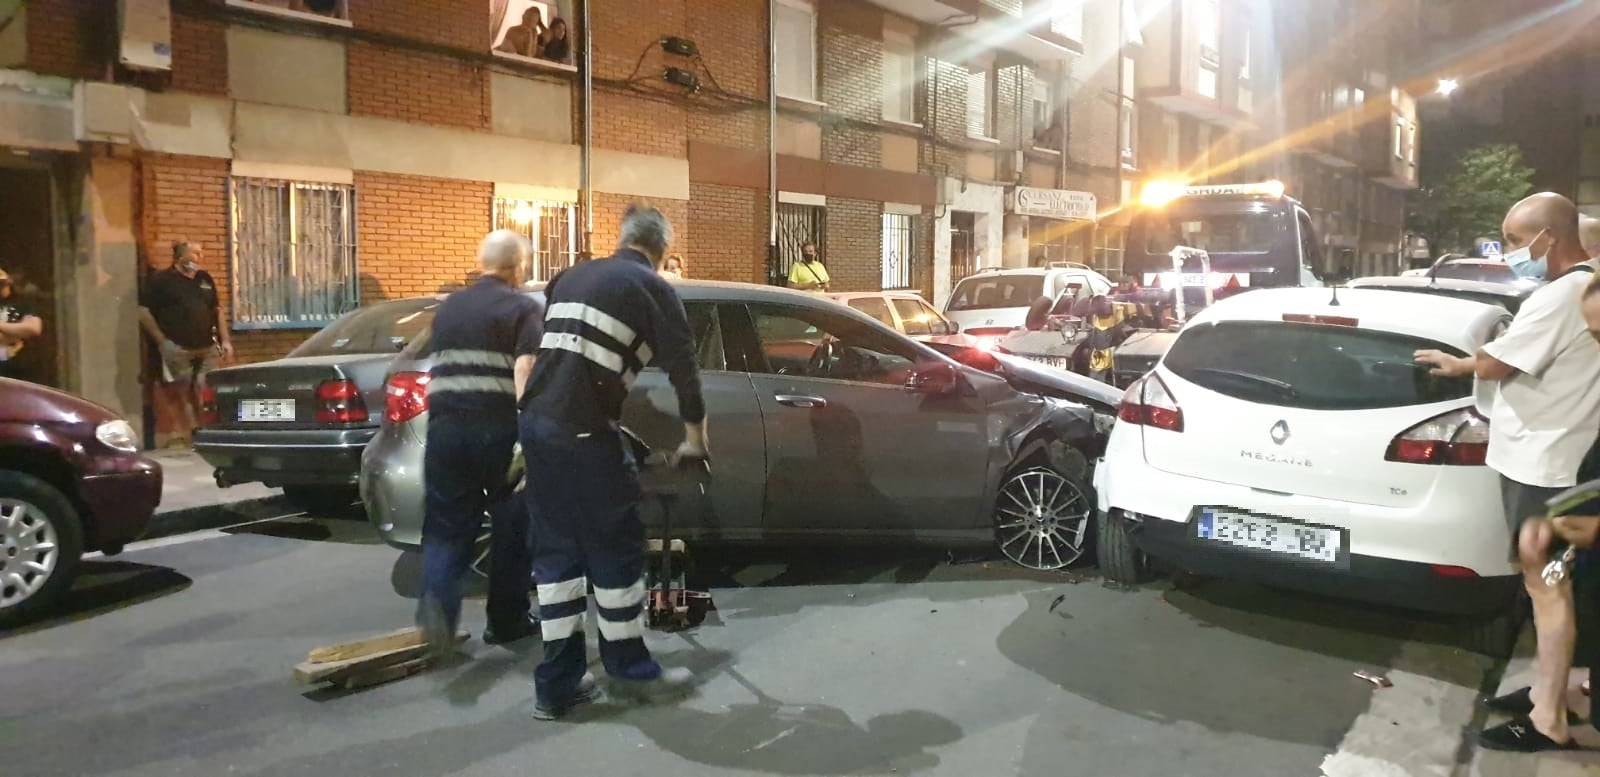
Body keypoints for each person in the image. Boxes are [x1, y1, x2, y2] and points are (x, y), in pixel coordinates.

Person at [1415, 192, 1600, 752]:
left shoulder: (1563, 295)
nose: (1514, 253)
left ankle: (1548, 718)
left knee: (1548, 588)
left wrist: (1456, 364)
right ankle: (1564, 690)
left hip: (1550, 464)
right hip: (1560, 455)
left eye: (1519, 242)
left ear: (1551, 236)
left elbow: (1498, 362)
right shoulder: (1583, 286)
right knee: (1558, 587)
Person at [518, 204, 707, 720]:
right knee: (615, 546)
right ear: (663, 250)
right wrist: (696, 441)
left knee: (556, 559)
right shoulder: (655, 289)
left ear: (622, 238)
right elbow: (685, 372)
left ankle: (556, 687)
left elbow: (547, 354)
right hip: (584, 429)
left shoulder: (570, 275)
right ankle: (629, 670)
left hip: (537, 424)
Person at [415, 230, 547, 655]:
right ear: (518, 265)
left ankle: (437, 605)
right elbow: (525, 370)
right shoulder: (522, 308)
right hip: (496, 431)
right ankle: (506, 622)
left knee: (447, 525)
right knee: (511, 526)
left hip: (446, 430)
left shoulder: (450, 307)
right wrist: (528, 434)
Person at [139, 242, 233, 447]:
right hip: (178, 348)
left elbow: (217, 310)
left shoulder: (204, 279)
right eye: (195, 253)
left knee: (204, 386)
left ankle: (208, 430)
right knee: (182, 389)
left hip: (206, 346)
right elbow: (144, 312)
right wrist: (162, 342)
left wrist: (225, 341)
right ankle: (192, 433)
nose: (200, 257)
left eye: (201, 253)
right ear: (181, 257)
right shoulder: (162, 280)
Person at [0, 268, 43, 382]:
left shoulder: (22, 302)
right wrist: (14, 332)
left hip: (18, 373)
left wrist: (2, 327)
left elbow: (33, 328)